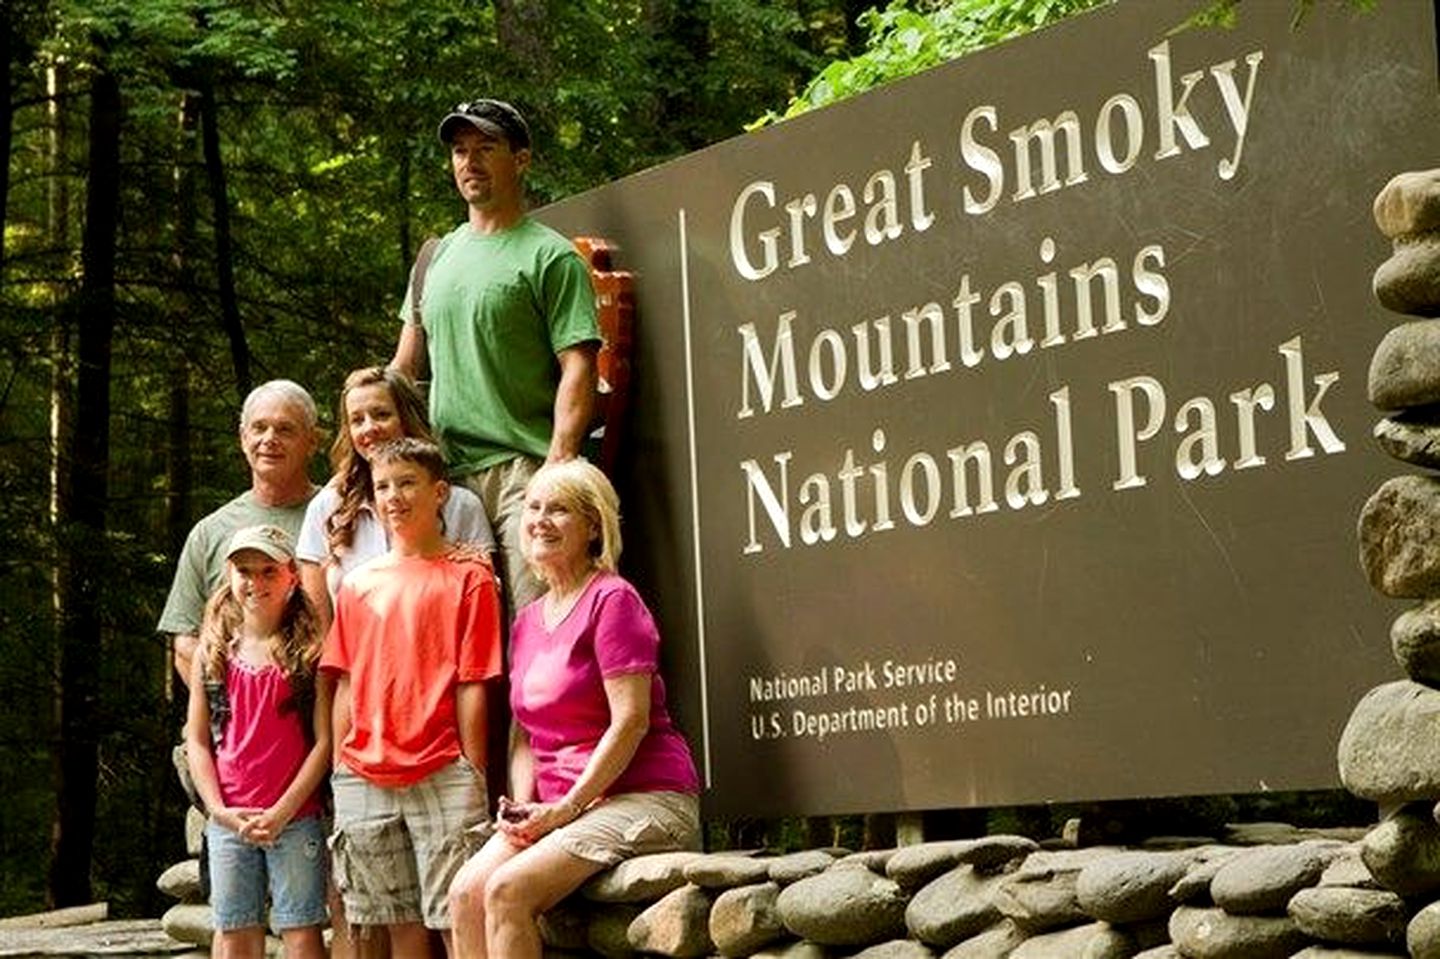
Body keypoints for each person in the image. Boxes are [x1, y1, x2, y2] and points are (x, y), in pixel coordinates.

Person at [447, 459, 701, 959]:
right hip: (563, 808)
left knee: (507, 891)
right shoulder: (529, 620)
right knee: (464, 893)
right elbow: (526, 733)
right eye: (533, 506)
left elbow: (631, 722)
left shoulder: (613, 600)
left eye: (558, 509)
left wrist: (565, 809)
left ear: (592, 526)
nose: (540, 519)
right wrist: (523, 807)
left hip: (644, 796)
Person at [390, 97, 600, 618]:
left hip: (522, 473)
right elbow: (402, 370)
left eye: (486, 148)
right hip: (442, 478)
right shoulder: (436, 259)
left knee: (533, 624)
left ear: (521, 160)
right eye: (460, 151)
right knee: (453, 642)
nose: (469, 161)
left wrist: (557, 467)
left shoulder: (549, 255)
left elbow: (579, 365)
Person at [323, 438, 503, 958]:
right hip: (363, 772)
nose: (393, 497)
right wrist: (340, 764)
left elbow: (474, 682)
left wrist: (473, 770)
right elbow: (345, 682)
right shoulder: (357, 585)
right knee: (397, 926)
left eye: (406, 483)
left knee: (456, 920)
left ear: (439, 492)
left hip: (444, 766)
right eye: (382, 487)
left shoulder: (469, 577)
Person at [185, 525, 330, 959]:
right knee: (234, 932)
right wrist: (218, 809)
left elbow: (324, 743)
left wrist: (284, 811)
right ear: (229, 576)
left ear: (292, 576)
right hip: (230, 818)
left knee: (301, 930)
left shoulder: (310, 654)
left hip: (295, 817)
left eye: (269, 571)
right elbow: (197, 740)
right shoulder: (212, 655)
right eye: (245, 571)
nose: (256, 582)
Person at [297, 366, 495, 629]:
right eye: (357, 420)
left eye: (381, 414)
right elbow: (318, 625)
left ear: (406, 418)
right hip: (357, 665)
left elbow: (484, 610)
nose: (369, 428)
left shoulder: (460, 505)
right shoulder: (327, 507)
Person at [160, 379, 320, 687]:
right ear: (243, 438)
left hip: (328, 720)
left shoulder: (339, 515)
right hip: (234, 724)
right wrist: (242, 703)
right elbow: (184, 643)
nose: (269, 439)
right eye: (259, 428)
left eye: (285, 429)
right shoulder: (209, 532)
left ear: (311, 442)